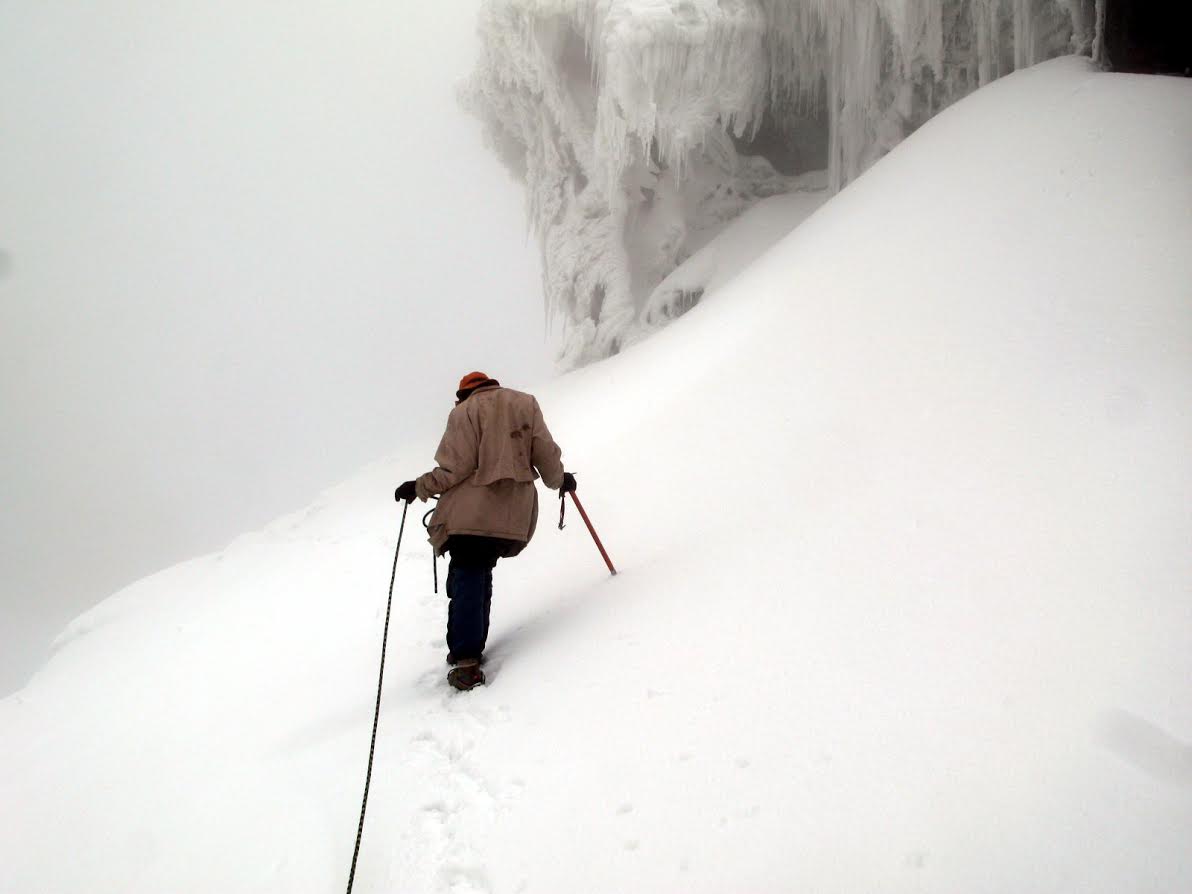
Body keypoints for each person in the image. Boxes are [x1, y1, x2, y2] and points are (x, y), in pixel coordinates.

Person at [396, 371, 576, 691]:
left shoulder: (464, 412)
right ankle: (470, 648)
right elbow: (545, 454)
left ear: (464, 393)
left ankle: (466, 660)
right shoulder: (525, 403)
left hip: (471, 514)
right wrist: (561, 480)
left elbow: (454, 468)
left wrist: (419, 487)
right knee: (479, 574)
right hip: (511, 517)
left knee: (467, 576)